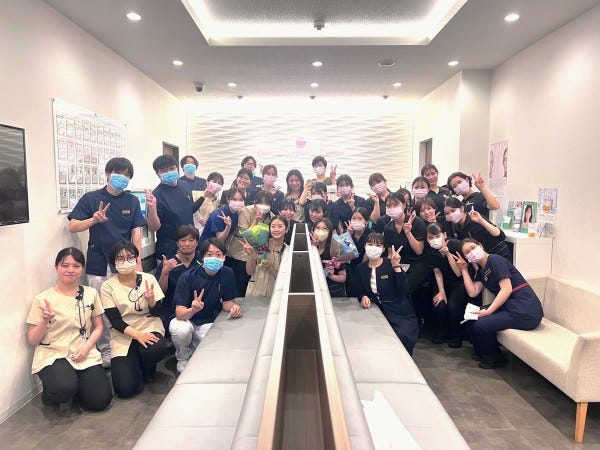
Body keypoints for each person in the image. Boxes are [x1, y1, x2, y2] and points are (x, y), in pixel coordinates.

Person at [67, 156, 145, 367]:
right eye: (119, 173)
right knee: (100, 309)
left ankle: (126, 345)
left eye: (127, 175)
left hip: (125, 262)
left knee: (125, 305)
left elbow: (136, 234)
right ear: (108, 174)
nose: (123, 177)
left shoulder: (132, 201)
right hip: (99, 263)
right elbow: (73, 226)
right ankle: (106, 350)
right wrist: (94, 219)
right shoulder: (91, 198)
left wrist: (138, 263)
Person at [26, 248, 112, 411]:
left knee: (100, 401)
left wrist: (87, 347)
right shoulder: (42, 299)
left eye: (76, 266)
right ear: (56, 267)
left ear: (82, 268)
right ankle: (52, 395)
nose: (70, 270)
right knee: (63, 388)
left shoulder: (91, 293)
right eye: (65, 265)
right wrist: (44, 321)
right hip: (53, 353)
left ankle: (78, 386)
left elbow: (99, 326)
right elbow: (32, 339)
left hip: (83, 351)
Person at [455, 238, 543, 369]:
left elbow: (506, 289)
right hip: (510, 306)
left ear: (480, 245)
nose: (471, 252)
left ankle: (494, 357)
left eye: (473, 248)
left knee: (481, 325)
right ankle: (481, 352)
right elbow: (473, 292)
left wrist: (488, 311)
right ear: (466, 258)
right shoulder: (482, 271)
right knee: (471, 316)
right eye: (467, 252)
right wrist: (464, 269)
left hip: (526, 310)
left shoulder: (495, 260)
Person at [101, 241, 167, 397]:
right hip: (123, 332)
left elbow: (159, 313)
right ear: (113, 262)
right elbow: (115, 321)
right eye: (120, 258)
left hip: (149, 324)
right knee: (125, 389)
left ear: (136, 258)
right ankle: (134, 361)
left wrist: (151, 302)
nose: (126, 261)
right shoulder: (107, 286)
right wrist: (138, 335)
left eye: (130, 257)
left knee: (154, 349)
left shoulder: (148, 279)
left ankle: (147, 367)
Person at [170, 238, 242, 373]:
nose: (214, 258)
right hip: (186, 319)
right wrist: (192, 310)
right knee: (181, 331)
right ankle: (183, 357)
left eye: (218, 254)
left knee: (213, 351)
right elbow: (179, 313)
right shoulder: (188, 277)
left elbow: (227, 302)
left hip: (208, 321)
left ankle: (194, 344)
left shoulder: (227, 273)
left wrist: (233, 307)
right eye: (209, 255)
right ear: (202, 257)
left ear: (224, 257)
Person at [357, 233, 419, 354]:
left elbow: (404, 289)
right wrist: (363, 296)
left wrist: (396, 267)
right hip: (377, 311)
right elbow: (360, 290)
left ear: (383, 248)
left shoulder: (390, 264)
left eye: (378, 245)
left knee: (402, 337)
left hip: (399, 311)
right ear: (365, 246)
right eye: (370, 244)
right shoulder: (361, 268)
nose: (373, 248)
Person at [423, 223, 466, 347]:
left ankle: (455, 335)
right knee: (440, 303)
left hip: (459, 281)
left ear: (444, 235)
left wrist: (447, 254)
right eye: (430, 237)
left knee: (453, 307)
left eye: (437, 236)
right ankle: (441, 332)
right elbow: (437, 271)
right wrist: (441, 291)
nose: (434, 240)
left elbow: (458, 273)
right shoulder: (429, 251)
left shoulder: (455, 245)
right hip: (443, 280)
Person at [146, 155, 195, 259]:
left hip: (189, 247)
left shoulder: (185, 186)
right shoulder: (156, 195)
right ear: (158, 174)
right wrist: (152, 208)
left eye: (172, 168)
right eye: (164, 170)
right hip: (169, 251)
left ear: (177, 168)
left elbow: (189, 210)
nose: (169, 172)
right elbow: (154, 227)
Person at [226, 190, 274, 296]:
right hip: (239, 254)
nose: (264, 205)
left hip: (257, 257)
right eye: (261, 202)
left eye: (267, 203)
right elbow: (245, 235)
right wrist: (255, 221)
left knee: (250, 287)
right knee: (238, 287)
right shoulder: (245, 211)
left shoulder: (271, 216)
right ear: (255, 202)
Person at [155, 225, 201, 333]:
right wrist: (165, 273)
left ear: (197, 243)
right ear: (177, 243)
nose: (187, 244)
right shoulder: (168, 263)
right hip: (174, 312)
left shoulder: (204, 259)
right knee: (182, 333)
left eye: (191, 240)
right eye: (183, 240)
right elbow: (159, 293)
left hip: (201, 311)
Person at [443, 197, 512, 261]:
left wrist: (481, 221)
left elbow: (501, 235)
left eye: (453, 211)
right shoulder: (456, 227)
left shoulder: (474, 218)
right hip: (482, 258)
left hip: (499, 253)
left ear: (462, 208)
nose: (451, 214)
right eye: (447, 213)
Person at [243, 216, 288, 297]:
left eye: (280, 226)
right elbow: (249, 272)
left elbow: (285, 281)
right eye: (273, 226)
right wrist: (250, 255)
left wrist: (270, 267)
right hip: (255, 291)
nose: (276, 230)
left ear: (286, 229)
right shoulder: (260, 245)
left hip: (274, 294)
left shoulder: (287, 251)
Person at [311, 218, 346, 297]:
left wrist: (332, 275)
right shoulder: (308, 247)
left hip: (333, 293)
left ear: (330, 231)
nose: (321, 231)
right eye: (317, 228)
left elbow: (343, 278)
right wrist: (313, 247)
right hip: (315, 292)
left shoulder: (336, 248)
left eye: (324, 228)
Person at [343, 207, 373, 297]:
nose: (356, 221)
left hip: (366, 267)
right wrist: (348, 236)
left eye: (360, 219)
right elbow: (343, 254)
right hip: (350, 267)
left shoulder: (371, 235)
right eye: (354, 219)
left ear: (366, 221)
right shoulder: (346, 233)